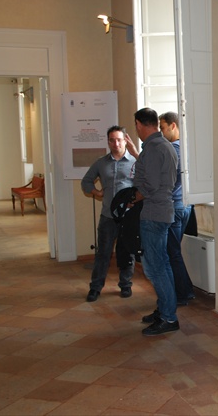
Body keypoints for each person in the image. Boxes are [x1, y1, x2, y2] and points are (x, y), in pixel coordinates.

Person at [130, 107, 180, 336]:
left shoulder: (153, 149)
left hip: (154, 213)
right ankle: (165, 309)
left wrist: (131, 200)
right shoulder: (166, 146)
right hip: (164, 210)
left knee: (155, 268)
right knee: (163, 265)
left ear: (139, 125)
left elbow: (149, 186)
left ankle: (169, 317)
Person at [81, 125, 136, 302]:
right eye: (112, 140)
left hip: (128, 217)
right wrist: (96, 192)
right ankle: (95, 288)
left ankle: (126, 285)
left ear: (125, 140)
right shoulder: (101, 163)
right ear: (108, 142)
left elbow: (144, 184)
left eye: (119, 140)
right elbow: (86, 181)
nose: (116, 143)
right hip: (108, 217)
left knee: (127, 252)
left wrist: (135, 200)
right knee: (103, 253)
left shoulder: (135, 161)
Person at [159, 112, 196, 305]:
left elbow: (165, 179)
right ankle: (185, 290)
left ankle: (183, 293)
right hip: (186, 205)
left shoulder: (173, 149)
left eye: (162, 128)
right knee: (173, 251)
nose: (161, 132)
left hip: (175, 206)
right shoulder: (187, 147)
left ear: (173, 126)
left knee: (171, 252)